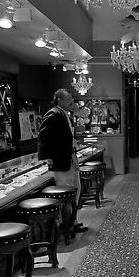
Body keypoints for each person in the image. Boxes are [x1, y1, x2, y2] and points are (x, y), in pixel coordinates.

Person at [38, 88, 88, 233]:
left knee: (76, 190)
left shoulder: (65, 114)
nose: (71, 101)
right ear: (59, 100)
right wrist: (47, 158)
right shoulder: (54, 113)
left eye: (71, 98)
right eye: (68, 98)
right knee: (66, 192)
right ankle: (66, 223)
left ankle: (73, 220)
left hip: (70, 158)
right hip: (61, 161)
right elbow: (43, 136)